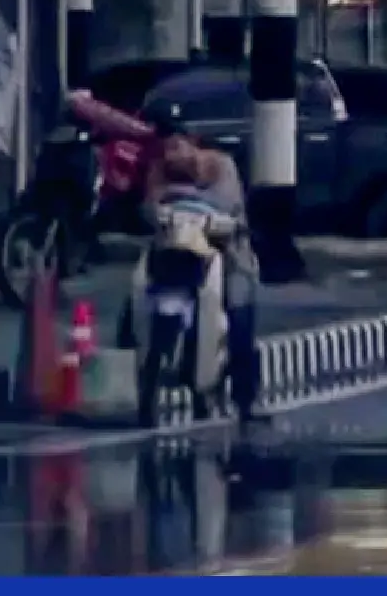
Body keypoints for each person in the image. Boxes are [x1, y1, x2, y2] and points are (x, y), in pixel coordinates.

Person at [65, 93, 264, 422]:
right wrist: (157, 216)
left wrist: (222, 225)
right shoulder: (157, 171)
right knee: (134, 302)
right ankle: (135, 375)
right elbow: (149, 208)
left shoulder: (221, 167)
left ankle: (246, 399)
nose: (171, 155)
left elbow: (231, 208)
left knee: (239, 313)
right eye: (165, 148)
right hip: (173, 249)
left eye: (177, 146)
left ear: (191, 143)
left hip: (225, 252)